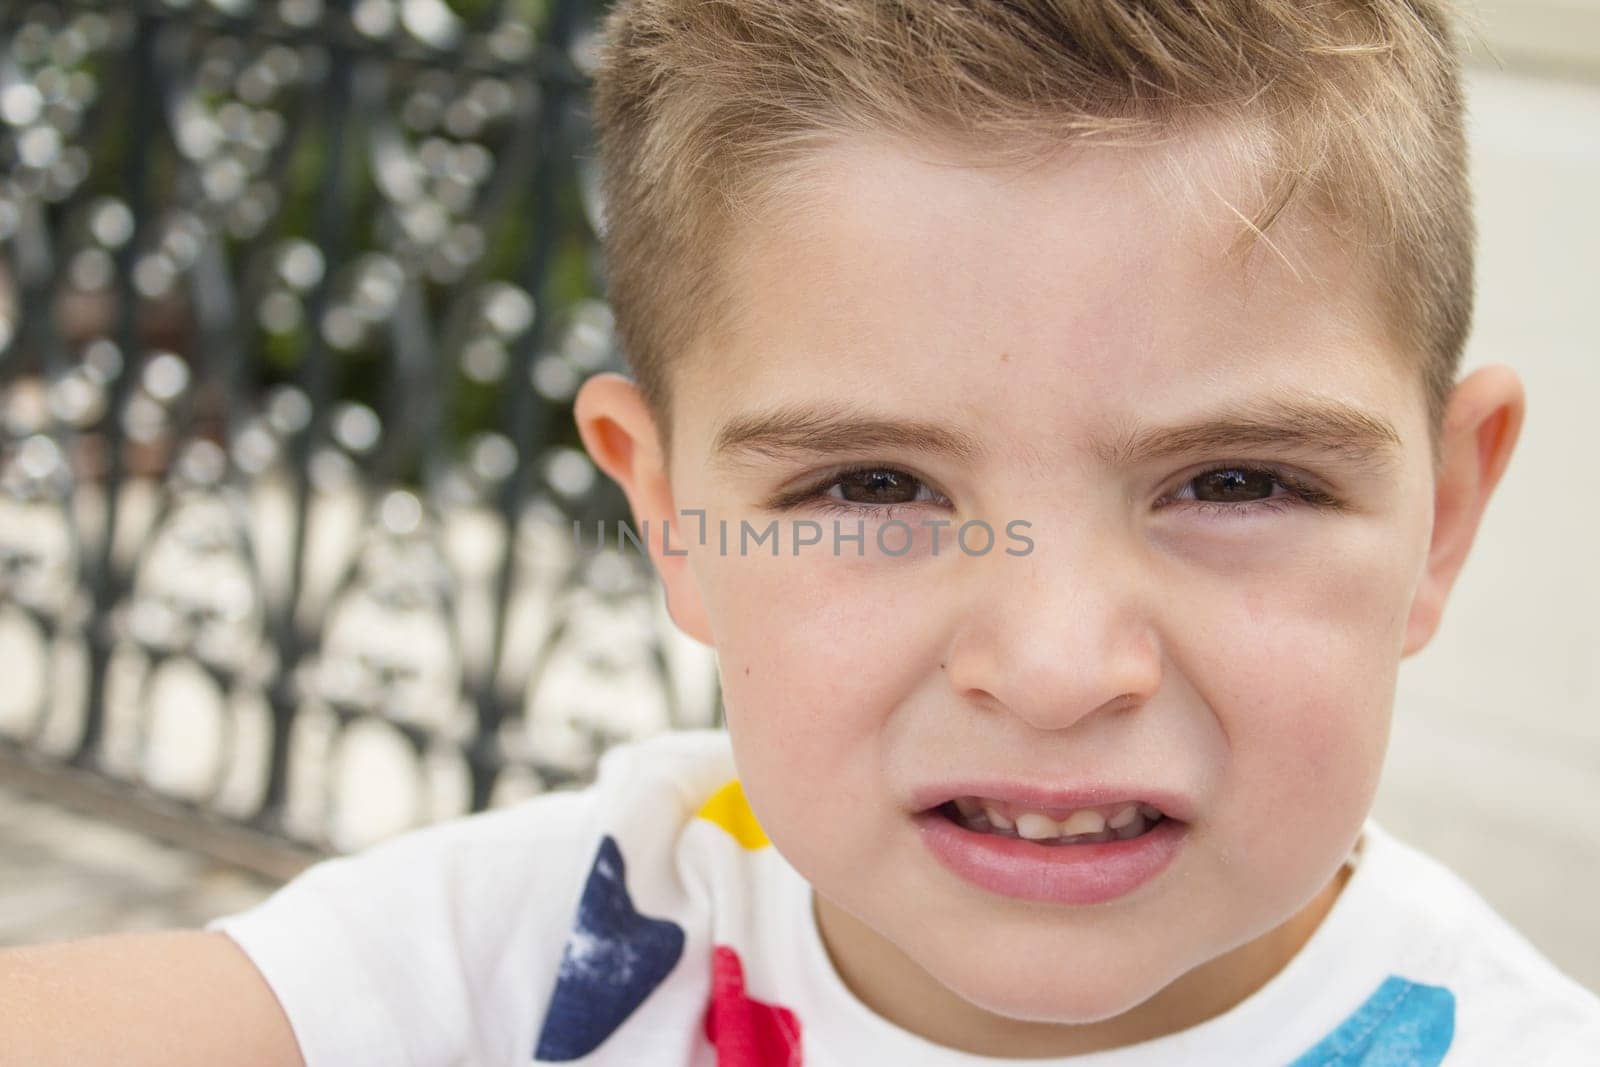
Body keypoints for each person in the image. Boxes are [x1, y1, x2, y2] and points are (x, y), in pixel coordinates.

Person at [4, 1, 1597, 1063]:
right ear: (670, 511)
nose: (1052, 669)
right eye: (871, 489)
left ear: (1442, 517)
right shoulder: (562, 942)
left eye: (1238, 483)